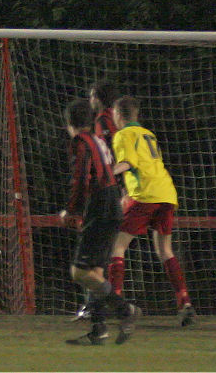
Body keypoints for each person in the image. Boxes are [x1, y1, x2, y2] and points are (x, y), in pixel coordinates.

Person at [109, 96, 196, 327]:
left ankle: (117, 305)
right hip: (166, 193)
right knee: (165, 250)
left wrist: (106, 173)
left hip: (145, 195)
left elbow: (128, 163)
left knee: (117, 246)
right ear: (136, 115)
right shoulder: (148, 134)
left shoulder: (122, 135)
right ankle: (185, 303)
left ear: (117, 115)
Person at [59, 100, 140, 346]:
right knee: (94, 271)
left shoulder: (81, 142)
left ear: (68, 123)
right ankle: (99, 329)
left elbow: (81, 180)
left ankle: (125, 310)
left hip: (101, 205)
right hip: (113, 202)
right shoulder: (99, 140)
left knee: (79, 271)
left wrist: (72, 211)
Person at [72, 80, 121, 322]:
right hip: (115, 190)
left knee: (87, 263)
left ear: (99, 98)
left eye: (92, 95)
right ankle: (97, 312)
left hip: (106, 191)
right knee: (102, 257)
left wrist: (74, 209)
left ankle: (116, 306)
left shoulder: (101, 120)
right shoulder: (115, 118)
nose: (90, 99)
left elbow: (99, 160)